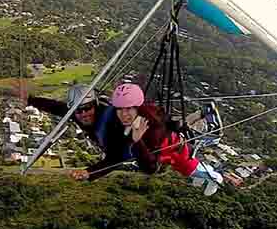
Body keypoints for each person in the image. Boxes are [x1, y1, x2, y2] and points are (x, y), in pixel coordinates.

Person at [72, 83, 223, 196]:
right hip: (170, 145)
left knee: (190, 169)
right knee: (188, 166)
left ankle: (215, 178)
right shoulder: (143, 116)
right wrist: (90, 172)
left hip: (174, 150)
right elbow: (117, 155)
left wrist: (138, 142)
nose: (123, 114)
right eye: (119, 109)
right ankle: (203, 114)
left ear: (137, 107)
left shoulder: (150, 128)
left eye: (128, 109)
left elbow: (150, 167)